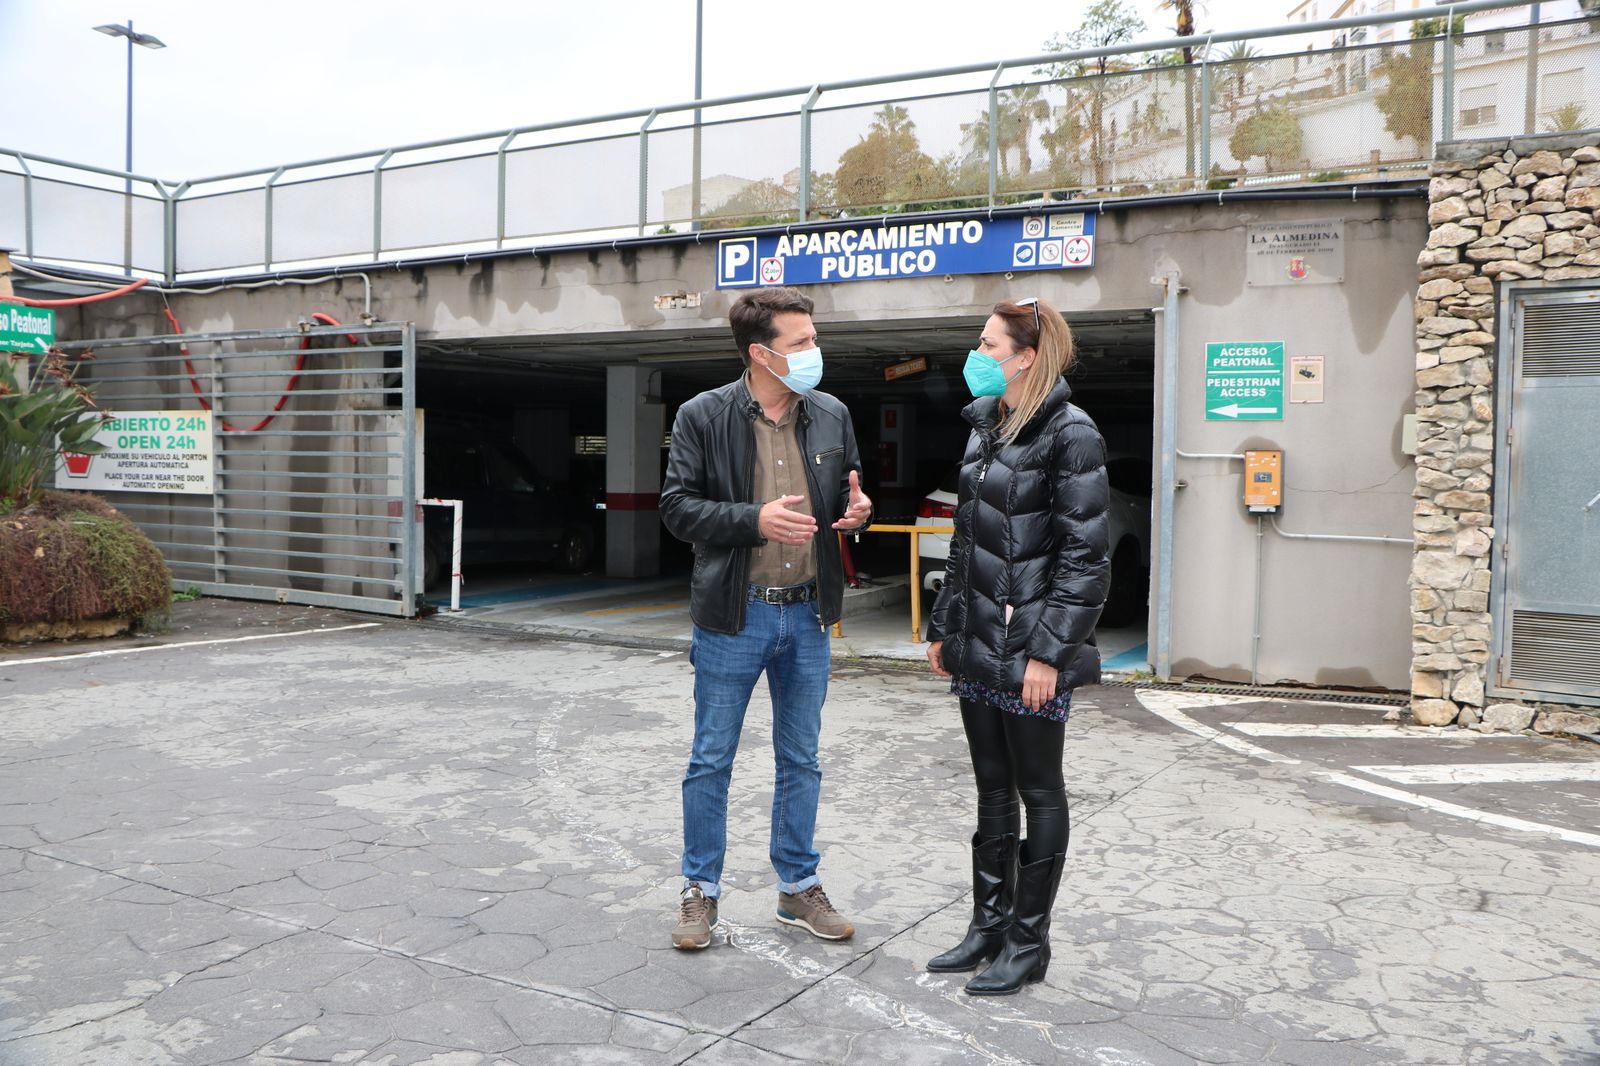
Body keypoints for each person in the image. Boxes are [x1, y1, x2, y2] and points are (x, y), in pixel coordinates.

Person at [660, 285, 873, 951]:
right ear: (760, 353)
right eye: (801, 342)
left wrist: (856, 510)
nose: (816, 351)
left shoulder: (832, 414)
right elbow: (676, 507)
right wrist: (753, 520)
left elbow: (845, 491)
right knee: (711, 758)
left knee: (801, 757)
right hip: (734, 616)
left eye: (814, 338)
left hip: (808, 614)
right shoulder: (703, 415)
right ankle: (701, 891)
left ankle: (797, 887)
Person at [923, 297, 1110, 995]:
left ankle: (1029, 944)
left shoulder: (1071, 432)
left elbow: (1085, 558)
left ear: (1026, 355)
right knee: (992, 790)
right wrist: (945, 627)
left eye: (987, 344)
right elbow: (967, 540)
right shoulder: (985, 427)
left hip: (1031, 650)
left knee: (1039, 789)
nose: (976, 354)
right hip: (977, 643)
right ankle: (989, 927)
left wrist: (1049, 653)